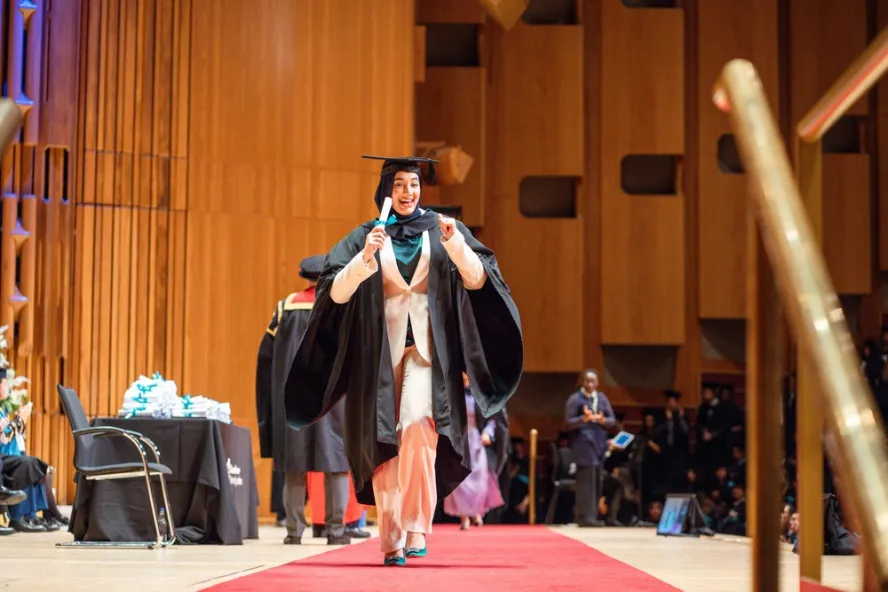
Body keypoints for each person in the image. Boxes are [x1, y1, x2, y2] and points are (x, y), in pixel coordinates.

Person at [284, 154, 523, 566]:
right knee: (384, 440)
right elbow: (335, 293)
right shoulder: (366, 234)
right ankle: (391, 537)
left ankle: (415, 526)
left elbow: (480, 279)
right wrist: (364, 259)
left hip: (427, 354)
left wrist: (456, 244)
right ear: (386, 191)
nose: (407, 192)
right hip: (378, 354)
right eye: (398, 185)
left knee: (417, 424)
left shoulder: (442, 229)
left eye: (413, 184)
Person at [256, 255, 366, 545]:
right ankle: (336, 531)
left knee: (294, 466)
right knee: (336, 464)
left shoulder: (285, 308)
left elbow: (266, 357)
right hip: (334, 401)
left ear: (305, 277)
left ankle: (294, 532)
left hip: (294, 397)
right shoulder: (343, 305)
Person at [443, 373, 506, 529]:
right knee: (461, 480)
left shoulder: (481, 395)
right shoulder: (452, 394)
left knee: (479, 478)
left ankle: (477, 512)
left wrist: (487, 433)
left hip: (476, 440)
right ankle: (464, 516)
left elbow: (492, 419)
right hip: (459, 440)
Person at [564, 369, 615, 527]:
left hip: (599, 445)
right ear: (582, 382)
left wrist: (602, 420)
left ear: (597, 382)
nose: (590, 384)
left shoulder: (601, 398)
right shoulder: (575, 399)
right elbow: (568, 422)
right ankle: (584, 516)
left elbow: (612, 421)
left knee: (596, 480)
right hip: (583, 445)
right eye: (587, 381)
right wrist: (583, 419)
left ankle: (593, 515)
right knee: (586, 481)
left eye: (593, 381)